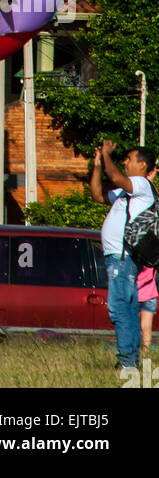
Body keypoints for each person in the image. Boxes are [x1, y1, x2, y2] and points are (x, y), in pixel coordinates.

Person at [89, 141, 157, 369]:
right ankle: (131, 361)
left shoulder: (141, 184)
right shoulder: (126, 192)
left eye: (129, 159)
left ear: (142, 165)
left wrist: (108, 155)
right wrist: (98, 165)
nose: (125, 162)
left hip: (123, 256)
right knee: (127, 309)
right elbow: (97, 196)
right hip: (119, 257)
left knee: (119, 308)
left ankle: (127, 362)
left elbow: (117, 177)